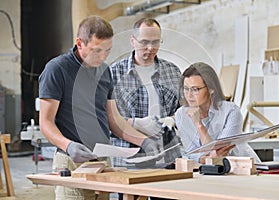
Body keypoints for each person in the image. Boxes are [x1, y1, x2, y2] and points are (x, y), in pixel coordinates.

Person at [38, 16, 161, 200]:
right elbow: (45, 123)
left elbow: (114, 119)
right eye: (96, 51)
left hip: (102, 161)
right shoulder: (57, 69)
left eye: (107, 50)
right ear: (79, 43)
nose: (103, 57)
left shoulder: (105, 71)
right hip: (71, 161)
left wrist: (143, 141)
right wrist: (68, 145)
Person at [109, 18, 182, 168]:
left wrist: (172, 120)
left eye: (155, 42)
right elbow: (104, 118)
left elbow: (185, 109)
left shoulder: (173, 72)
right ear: (133, 41)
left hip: (168, 158)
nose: (150, 48)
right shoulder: (114, 73)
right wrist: (136, 123)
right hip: (128, 160)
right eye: (144, 42)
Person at [172, 62, 261, 164]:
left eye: (195, 89)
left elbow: (219, 153)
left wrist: (199, 124)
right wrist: (206, 158)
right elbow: (191, 153)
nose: (189, 95)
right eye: (186, 89)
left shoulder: (231, 111)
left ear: (211, 89)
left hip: (242, 168)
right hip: (209, 170)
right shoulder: (181, 114)